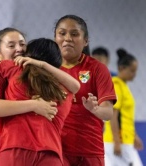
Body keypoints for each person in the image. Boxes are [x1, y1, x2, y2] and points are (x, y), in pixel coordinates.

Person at [0, 38, 80, 166]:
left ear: (28, 56)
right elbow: (76, 86)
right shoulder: (65, 87)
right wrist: (43, 65)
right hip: (51, 154)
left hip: (14, 148)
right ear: (57, 62)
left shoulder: (15, 68)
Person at [53, 14, 117, 166]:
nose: (67, 38)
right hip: (55, 150)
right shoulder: (47, 69)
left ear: (86, 41)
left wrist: (95, 109)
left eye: (74, 34)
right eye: (62, 33)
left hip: (89, 151)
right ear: (55, 38)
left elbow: (108, 113)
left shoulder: (97, 69)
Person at [103, 48, 143, 166]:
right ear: (121, 68)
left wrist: (134, 136)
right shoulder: (116, 86)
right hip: (119, 141)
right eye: (131, 71)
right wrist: (116, 141)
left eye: (135, 71)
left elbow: (125, 117)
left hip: (125, 140)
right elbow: (114, 116)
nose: (134, 75)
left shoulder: (124, 87)